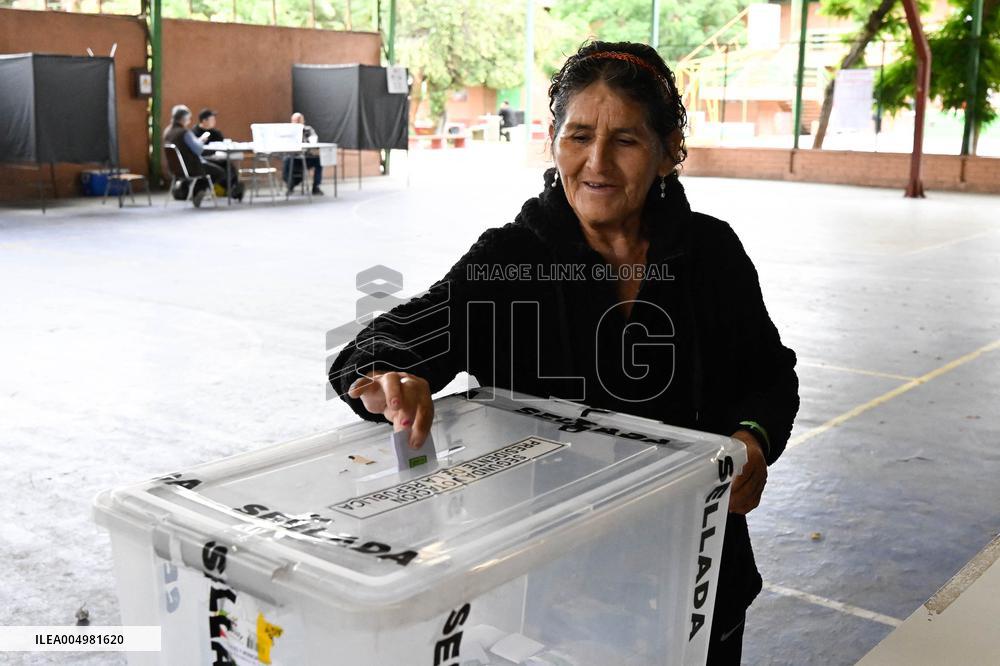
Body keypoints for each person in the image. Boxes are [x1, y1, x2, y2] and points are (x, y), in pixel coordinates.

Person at [328, 41, 799, 665]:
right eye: (578, 136)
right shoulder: (511, 262)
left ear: (667, 154)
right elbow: (376, 348)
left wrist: (752, 441)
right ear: (554, 145)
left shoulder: (710, 255)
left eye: (626, 140)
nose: (596, 161)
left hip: (698, 584)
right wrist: (388, 377)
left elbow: (770, 376)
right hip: (553, 604)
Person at [163, 104, 228, 207]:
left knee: (209, 169)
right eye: (188, 118)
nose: (189, 121)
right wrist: (201, 141)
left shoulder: (168, 131)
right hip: (191, 167)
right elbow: (199, 150)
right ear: (184, 119)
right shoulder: (184, 133)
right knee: (220, 172)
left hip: (176, 169)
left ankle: (197, 192)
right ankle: (197, 192)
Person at [196, 108, 242, 197]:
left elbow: (222, 145)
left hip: (217, 158)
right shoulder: (195, 132)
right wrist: (201, 140)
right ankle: (204, 190)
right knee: (219, 169)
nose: (214, 121)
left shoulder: (216, 133)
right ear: (204, 121)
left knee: (228, 165)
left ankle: (234, 188)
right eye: (212, 119)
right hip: (203, 159)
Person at [283, 112, 323, 196]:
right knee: (286, 160)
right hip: (294, 158)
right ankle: (290, 185)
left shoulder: (309, 130)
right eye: (294, 121)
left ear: (302, 121)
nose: (296, 122)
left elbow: (314, 142)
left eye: (298, 120)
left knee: (319, 161)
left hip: (307, 157)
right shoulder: (288, 131)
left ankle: (316, 187)